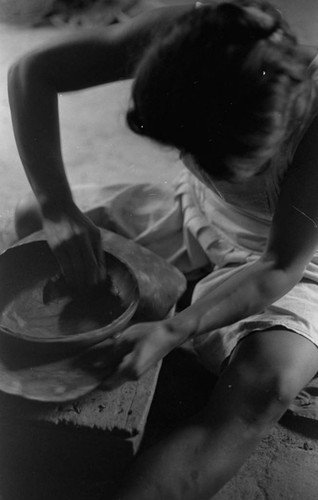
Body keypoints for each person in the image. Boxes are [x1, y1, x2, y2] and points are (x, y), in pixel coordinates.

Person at [7, 0, 318, 498]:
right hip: (196, 208)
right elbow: (31, 72)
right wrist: (57, 205)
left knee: (268, 381)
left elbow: (279, 264)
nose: (193, 157)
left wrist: (175, 328)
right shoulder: (189, 38)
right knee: (33, 220)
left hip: (296, 252)